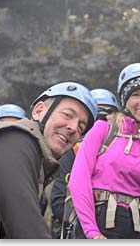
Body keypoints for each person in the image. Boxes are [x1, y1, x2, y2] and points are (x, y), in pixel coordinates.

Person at [68, 63, 140, 239]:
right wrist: (92, 232)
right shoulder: (104, 130)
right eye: (135, 94)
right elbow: (79, 180)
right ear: (125, 100)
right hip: (102, 221)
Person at [0, 81, 97, 239]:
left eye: (81, 127)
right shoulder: (17, 141)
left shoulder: (36, 158)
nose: (73, 127)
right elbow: (25, 225)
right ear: (38, 111)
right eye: (67, 115)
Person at [50, 88, 120, 239]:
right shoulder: (70, 152)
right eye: (98, 112)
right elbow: (58, 202)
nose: (103, 117)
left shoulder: (123, 152)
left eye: (109, 111)